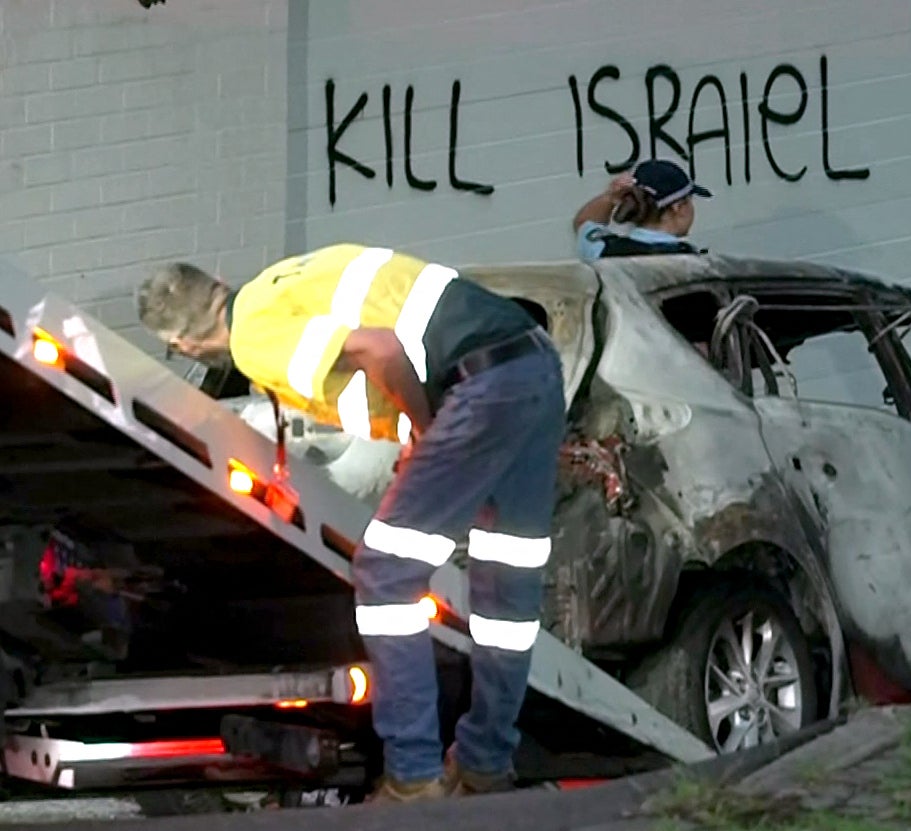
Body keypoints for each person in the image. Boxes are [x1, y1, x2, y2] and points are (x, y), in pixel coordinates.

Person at [134, 244, 566, 802]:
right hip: (531, 365)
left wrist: (422, 426)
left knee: (385, 575)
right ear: (217, 281)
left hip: (476, 388)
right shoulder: (279, 282)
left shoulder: (252, 337)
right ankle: (485, 765)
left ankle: (412, 777)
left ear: (182, 345)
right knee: (507, 585)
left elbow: (378, 348)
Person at [572, 158, 711, 261]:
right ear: (678, 207)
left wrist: (610, 197)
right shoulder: (692, 262)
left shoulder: (603, 250)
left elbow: (584, 222)